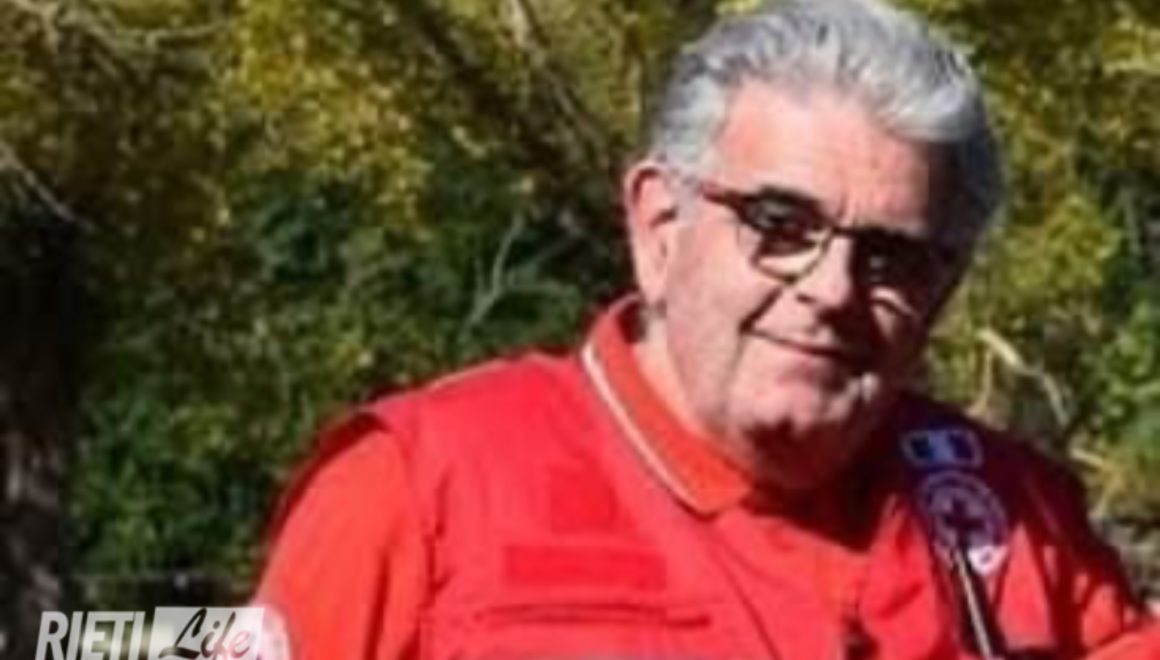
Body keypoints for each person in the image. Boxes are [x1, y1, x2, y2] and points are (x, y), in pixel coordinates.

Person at [253, 0, 1160, 657]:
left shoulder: (1014, 514)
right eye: (780, 224)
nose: (830, 289)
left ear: (943, 289)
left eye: (889, 256)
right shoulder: (416, 490)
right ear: (660, 224)